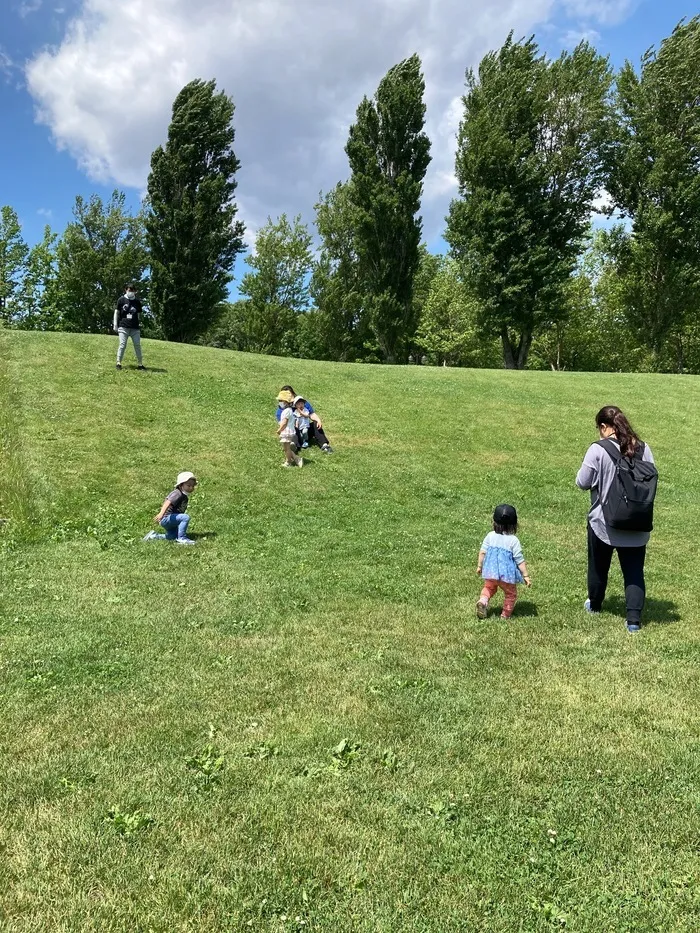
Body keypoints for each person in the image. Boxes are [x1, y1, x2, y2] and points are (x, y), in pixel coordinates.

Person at [576, 406, 655, 633]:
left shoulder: (597, 450)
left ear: (603, 427)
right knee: (634, 571)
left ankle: (596, 604)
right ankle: (633, 622)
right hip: (637, 522)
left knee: (599, 567)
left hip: (604, 523)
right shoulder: (644, 448)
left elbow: (582, 482)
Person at [476, 504, 531, 620]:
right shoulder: (513, 540)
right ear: (514, 524)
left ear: (494, 521)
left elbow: (482, 552)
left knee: (489, 588)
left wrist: (480, 566)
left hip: (491, 572)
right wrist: (525, 575)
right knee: (511, 594)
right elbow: (519, 560)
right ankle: (505, 615)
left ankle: (483, 601)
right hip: (507, 576)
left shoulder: (490, 536)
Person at [143, 471, 197, 545]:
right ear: (181, 485)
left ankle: (154, 536)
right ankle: (182, 538)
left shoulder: (184, 496)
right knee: (185, 517)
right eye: (188, 485)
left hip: (171, 519)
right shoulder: (177, 493)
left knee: (172, 536)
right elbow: (168, 502)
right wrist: (161, 514)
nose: (191, 488)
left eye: (193, 486)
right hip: (166, 517)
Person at [275, 385, 333, 452]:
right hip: (294, 433)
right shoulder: (281, 411)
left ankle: (324, 445)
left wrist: (318, 420)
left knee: (315, 423)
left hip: (305, 429)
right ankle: (294, 446)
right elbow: (283, 425)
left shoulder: (301, 402)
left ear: (293, 394)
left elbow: (311, 414)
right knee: (292, 429)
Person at [114, 283, 145, 371]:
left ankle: (140, 364)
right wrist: (115, 325)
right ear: (125, 290)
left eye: (132, 290)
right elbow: (116, 312)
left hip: (135, 327)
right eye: (128, 290)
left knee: (137, 345)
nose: (130, 292)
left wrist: (140, 323)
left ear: (135, 291)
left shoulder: (137, 302)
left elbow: (139, 314)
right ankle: (118, 363)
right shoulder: (121, 300)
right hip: (123, 326)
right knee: (122, 345)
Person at [277, 392, 303, 468]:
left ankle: (289, 462)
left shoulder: (287, 411)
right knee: (286, 448)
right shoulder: (288, 410)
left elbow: (284, 423)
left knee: (286, 448)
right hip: (287, 431)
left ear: (285, 402)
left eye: (281, 400)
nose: (280, 402)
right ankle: (296, 458)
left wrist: (279, 430)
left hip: (286, 431)